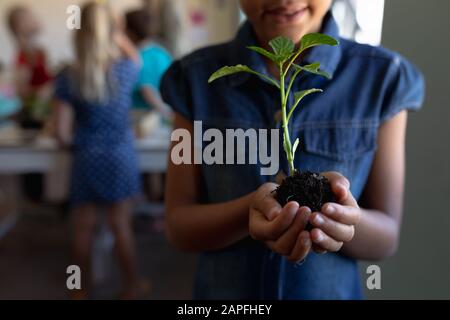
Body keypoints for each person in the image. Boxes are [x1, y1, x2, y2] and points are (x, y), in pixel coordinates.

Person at [160, 0, 425, 299]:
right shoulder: (193, 79)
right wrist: (249, 211)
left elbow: (386, 237)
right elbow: (178, 225)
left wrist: (337, 217)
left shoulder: (383, 78)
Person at [53, 2, 147, 299]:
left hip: (87, 157)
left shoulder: (68, 76)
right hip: (120, 155)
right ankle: (131, 286)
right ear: (114, 32)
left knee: (82, 227)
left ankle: (78, 288)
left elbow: (62, 133)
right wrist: (117, 32)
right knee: (121, 226)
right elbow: (137, 57)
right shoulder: (124, 69)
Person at [7, 5, 52, 128]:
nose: (34, 19)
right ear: (19, 27)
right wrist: (44, 90)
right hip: (35, 113)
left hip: (44, 108)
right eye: (28, 18)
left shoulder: (39, 52)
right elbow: (22, 91)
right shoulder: (23, 56)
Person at [125, 8, 173, 121]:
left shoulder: (135, 58)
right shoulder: (163, 53)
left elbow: (147, 90)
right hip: (162, 121)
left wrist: (164, 111)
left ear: (130, 33)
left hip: (141, 119)